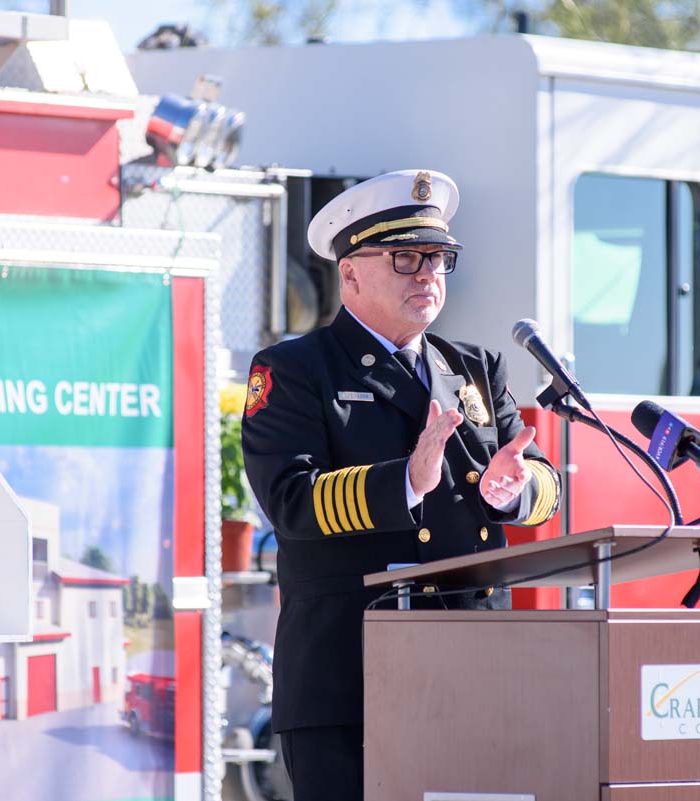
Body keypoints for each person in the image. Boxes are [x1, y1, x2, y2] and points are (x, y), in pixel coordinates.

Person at [241, 169, 562, 801]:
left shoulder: (474, 366)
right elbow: (290, 500)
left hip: (468, 668)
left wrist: (514, 491)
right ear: (351, 273)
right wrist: (405, 484)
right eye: (406, 257)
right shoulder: (294, 370)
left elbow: (543, 482)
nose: (428, 275)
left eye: (440, 258)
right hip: (348, 678)